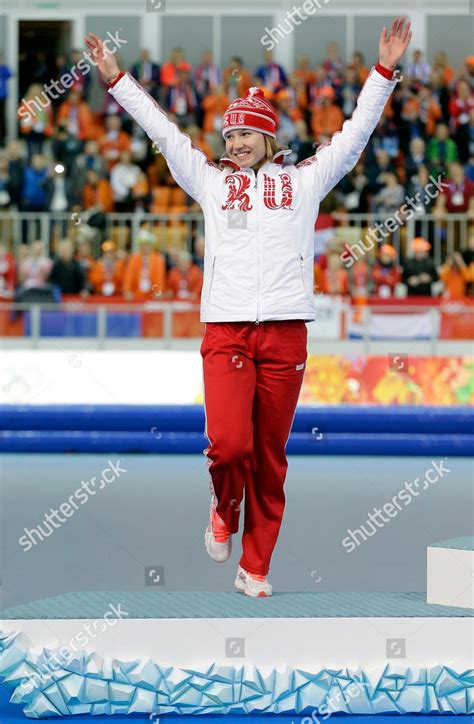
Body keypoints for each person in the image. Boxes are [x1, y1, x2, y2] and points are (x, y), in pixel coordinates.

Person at [85, 16, 412, 598]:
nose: (233, 143)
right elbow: (164, 132)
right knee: (230, 445)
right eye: (228, 135)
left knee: (270, 457)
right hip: (228, 331)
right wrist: (116, 82)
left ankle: (255, 565)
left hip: (286, 334)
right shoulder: (210, 182)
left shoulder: (304, 181)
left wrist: (383, 71)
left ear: (268, 139)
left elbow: (357, 135)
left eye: (245, 135)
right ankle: (223, 504)